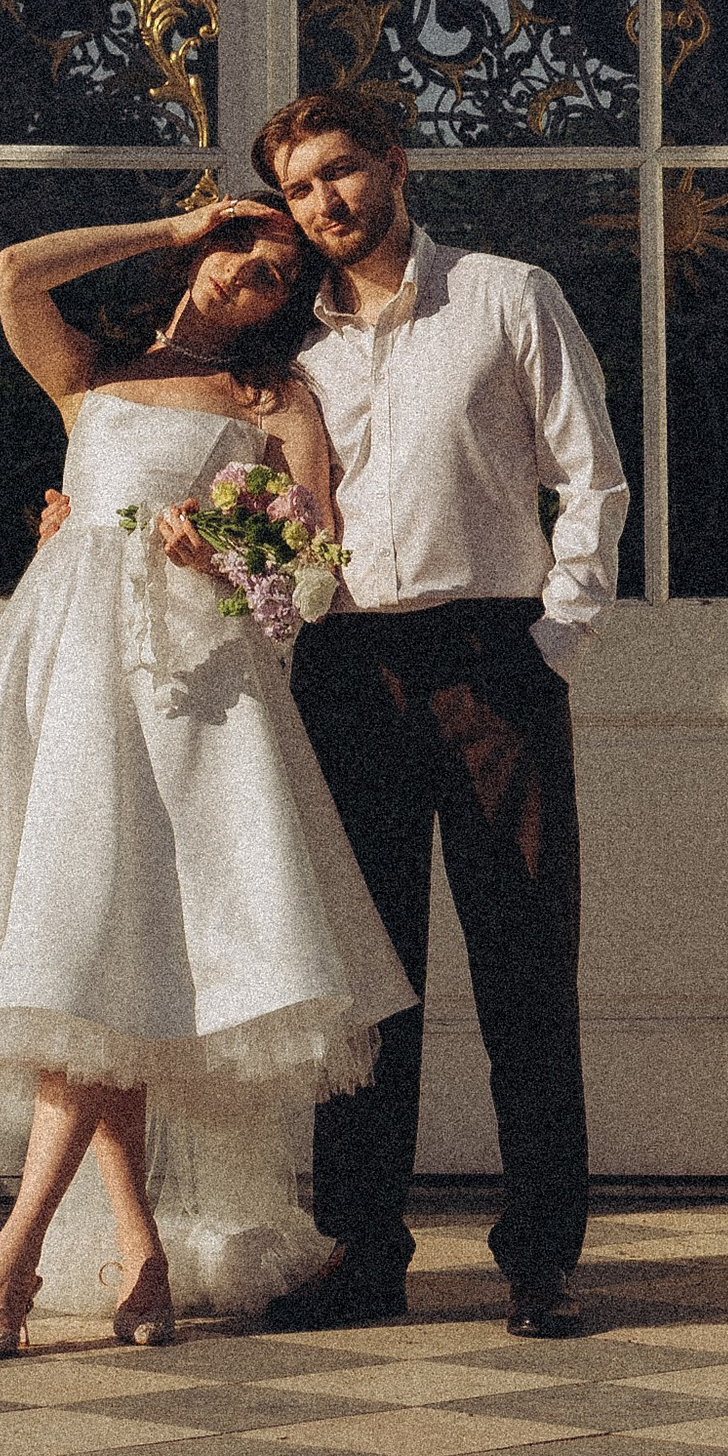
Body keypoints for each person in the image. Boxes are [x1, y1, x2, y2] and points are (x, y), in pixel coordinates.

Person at [0, 198, 412, 1359]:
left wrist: (226, 559)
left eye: (282, 273)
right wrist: (174, 220)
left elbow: (312, 586)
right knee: (93, 967)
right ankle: (141, 1261)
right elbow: (12, 263)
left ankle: (11, 1264)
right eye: (243, 250)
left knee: (101, 967)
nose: (256, 276)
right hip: (64, 688)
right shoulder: (89, 376)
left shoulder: (272, 401)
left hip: (194, 698)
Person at [254, 87, 629, 1343]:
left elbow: (591, 476)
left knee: (524, 964)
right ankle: (363, 1254)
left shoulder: (507, 295)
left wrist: (552, 643)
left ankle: (540, 1258)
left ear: (395, 165)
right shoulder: (283, 346)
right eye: (301, 189)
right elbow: (259, 516)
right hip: (344, 670)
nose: (326, 205)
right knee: (369, 987)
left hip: (489, 661)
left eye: (343, 173)